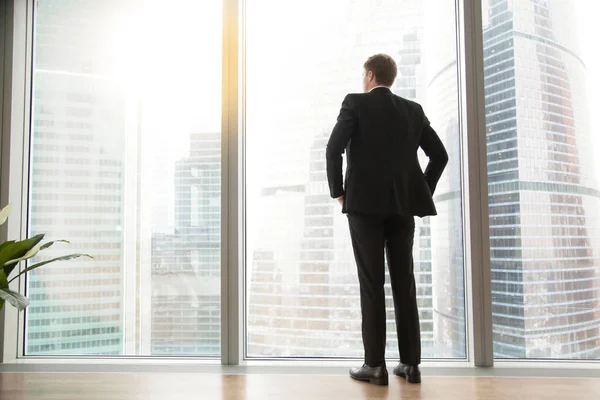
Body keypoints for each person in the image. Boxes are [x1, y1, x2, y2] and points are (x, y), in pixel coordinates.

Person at [325, 53, 448, 385]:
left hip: (364, 206)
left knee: (372, 283)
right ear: (390, 78)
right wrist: (419, 189)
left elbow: (333, 148)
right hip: (402, 207)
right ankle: (410, 365)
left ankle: (375, 366)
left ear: (369, 75)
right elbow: (440, 155)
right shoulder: (412, 110)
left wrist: (339, 191)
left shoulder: (355, 103)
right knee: (403, 283)